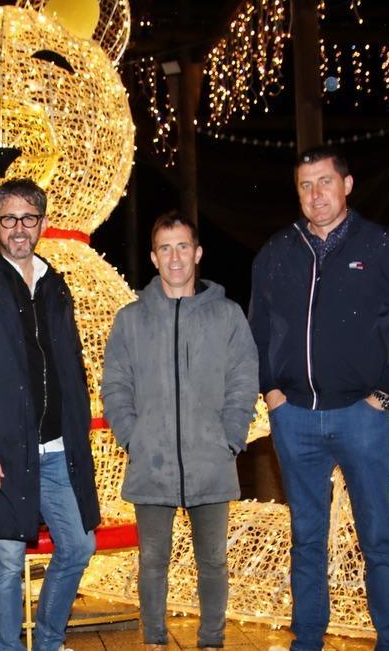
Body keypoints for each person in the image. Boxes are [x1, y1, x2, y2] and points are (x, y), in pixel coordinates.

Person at [249, 146, 389, 651]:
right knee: (306, 539)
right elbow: (258, 335)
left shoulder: (386, 249)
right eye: (306, 186)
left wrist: (382, 396)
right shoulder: (276, 253)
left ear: (347, 185)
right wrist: (272, 394)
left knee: (376, 536)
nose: (316, 195)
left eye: (325, 182)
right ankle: (307, 639)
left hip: (363, 417)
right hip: (296, 419)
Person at [0, 179, 100, 651]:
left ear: (43, 224)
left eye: (29, 218)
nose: (19, 229)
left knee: (78, 546)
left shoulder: (54, 283)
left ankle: (47, 641)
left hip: (56, 450)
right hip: (2, 453)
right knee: (6, 562)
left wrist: (77, 433)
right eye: (9, 219)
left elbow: (68, 363)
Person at [101, 212, 258, 650]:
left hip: (211, 461)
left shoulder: (226, 316)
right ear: (153, 257)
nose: (175, 257)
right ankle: (154, 641)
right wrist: (133, 436)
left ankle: (212, 641)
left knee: (213, 561)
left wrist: (230, 436)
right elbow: (114, 384)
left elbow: (245, 379)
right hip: (151, 464)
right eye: (165, 248)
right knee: (152, 561)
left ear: (198, 252)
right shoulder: (131, 319)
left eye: (183, 247)